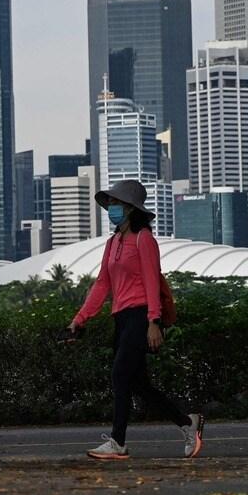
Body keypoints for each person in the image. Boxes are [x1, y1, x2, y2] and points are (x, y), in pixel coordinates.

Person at [68, 179, 204, 461]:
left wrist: (154, 321)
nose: (111, 209)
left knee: (120, 375)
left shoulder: (145, 240)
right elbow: (102, 284)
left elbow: (152, 281)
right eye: (110, 204)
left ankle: (118, 442)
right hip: (121, 317)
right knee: (138, 384)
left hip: (141, 316)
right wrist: (80, 319)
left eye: (116, 204)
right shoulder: (113, 243)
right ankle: (187, 423)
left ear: (130, 209)